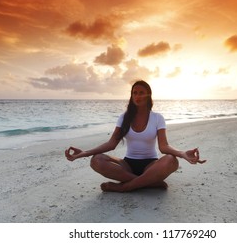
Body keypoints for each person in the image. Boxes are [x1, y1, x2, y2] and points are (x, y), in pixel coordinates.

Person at [65, 80, 206, 192]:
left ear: (148, 95)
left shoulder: (157, 118)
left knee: (172, 161)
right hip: (127, 165)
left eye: (141, 92)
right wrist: (84, 153)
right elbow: (111, 144)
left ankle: (125, 187)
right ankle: (148, 183)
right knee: (96, 160)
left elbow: (164, 147)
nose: (137, 96)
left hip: (150, 165)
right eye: (134, 93)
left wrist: (182, 154)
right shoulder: (124, 117)